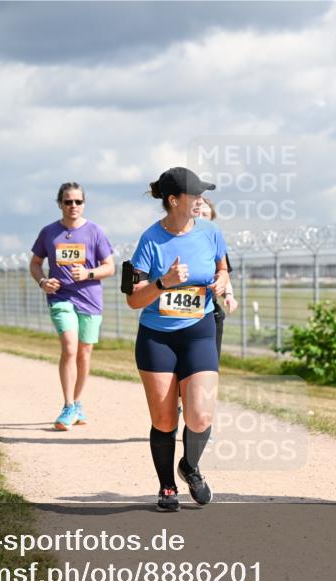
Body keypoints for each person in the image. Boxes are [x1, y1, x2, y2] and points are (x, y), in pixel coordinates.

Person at [126, 167, 229, 512]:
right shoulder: (149, 240)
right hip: (158, 338)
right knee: (165, 420)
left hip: (199, 330)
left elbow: (223, 268)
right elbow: (133, 299)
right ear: (174, 200)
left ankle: (191, 467)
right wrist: (163, 283)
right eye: (195, 194)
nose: (201, 199)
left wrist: (221, 282)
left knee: (200, 417)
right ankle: (167, 485)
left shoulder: (211, 231)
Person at [29, 182, 115, 431]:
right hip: (61, 298)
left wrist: (88, 273)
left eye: (78, 201)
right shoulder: (49, 232)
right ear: (60, 204)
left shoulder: (95, 231)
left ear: (84, 204)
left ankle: (77, 403)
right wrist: (43, 281)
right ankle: (67, 405)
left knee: (84, 352)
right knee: (69, 346)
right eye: (68, 201)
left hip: (89, 298)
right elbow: (35, 263)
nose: (73, 206)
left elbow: (109, 266)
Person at [192, 196, 238, 358]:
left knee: (208, 366)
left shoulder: (216, 245)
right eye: (197, 214)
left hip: (208, 311)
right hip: (178, 314)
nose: (201, 218)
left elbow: (223, 273)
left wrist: (229, 296)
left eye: (206, 215)